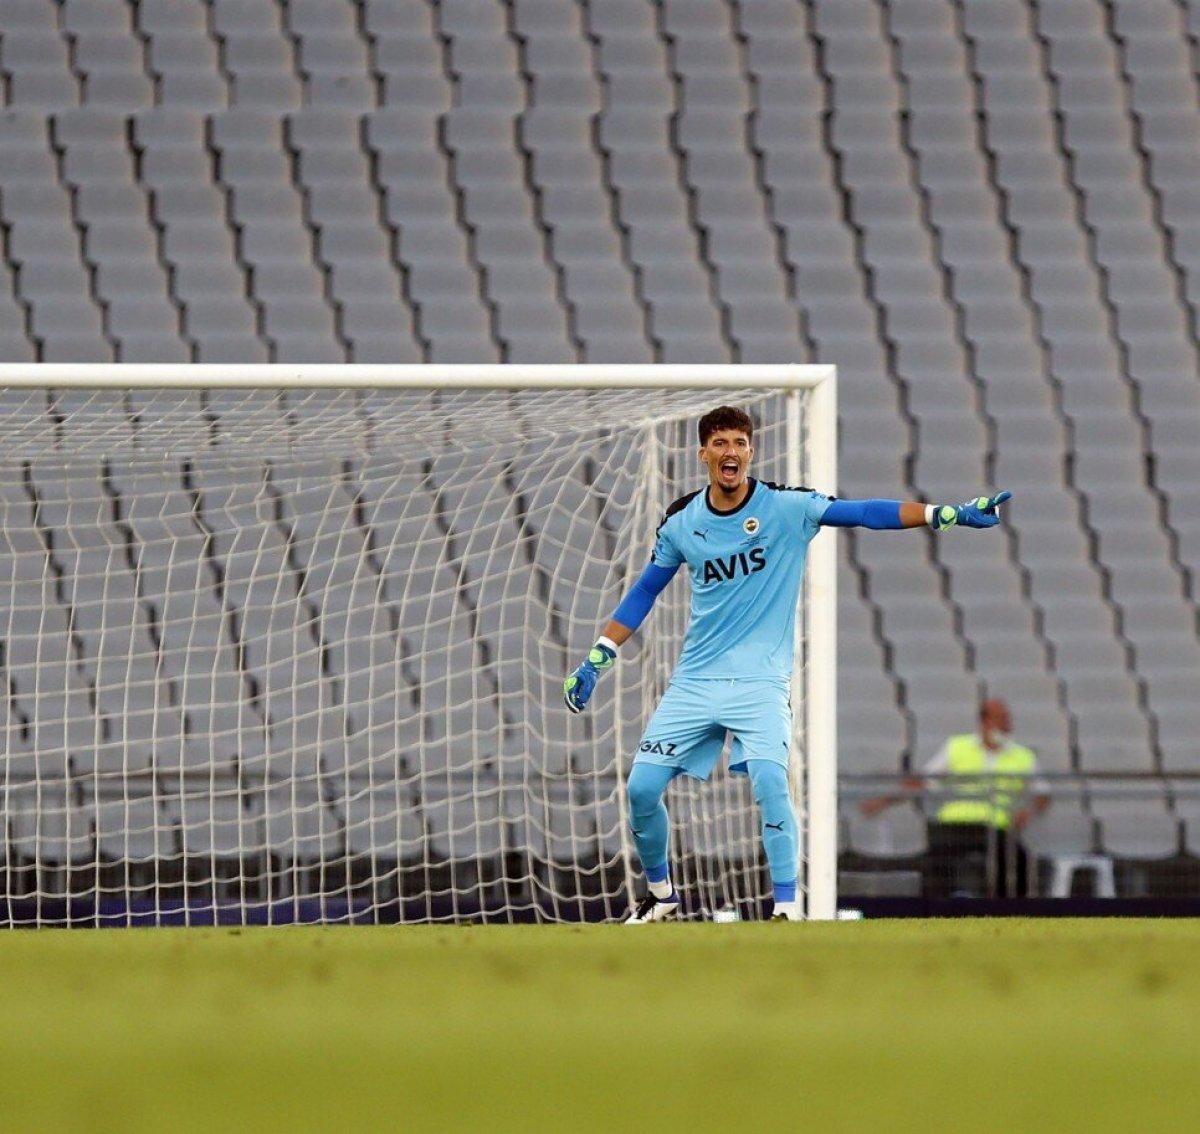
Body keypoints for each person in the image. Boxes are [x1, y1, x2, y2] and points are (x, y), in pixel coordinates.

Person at [562, 404, 1011, 921]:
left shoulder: (786, 507)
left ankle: (785, 907)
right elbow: (645, 591)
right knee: (641, 788)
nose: (731, 452)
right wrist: (598, 657)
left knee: (772, 782)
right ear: (703, 454)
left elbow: (865, 512)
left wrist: (945, 514)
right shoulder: (682, 522)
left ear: (751, 451)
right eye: (720, 443)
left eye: (740, 442)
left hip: (760, 682)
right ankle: (661, 896)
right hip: (696, 680)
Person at [862, 698, 1050, 897]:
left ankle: (1008, 911)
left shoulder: (1023, 756)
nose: (1006, 725)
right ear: (984, 721)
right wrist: (883, 801)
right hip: (955, 825)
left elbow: (1043, 792)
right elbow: (923, 781)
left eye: (1007, 720)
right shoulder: (957, 747)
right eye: (1000, 719)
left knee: (1019, 861)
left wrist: (1029, 811)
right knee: (937, 862)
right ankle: (936, 909)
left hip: (995, 828)